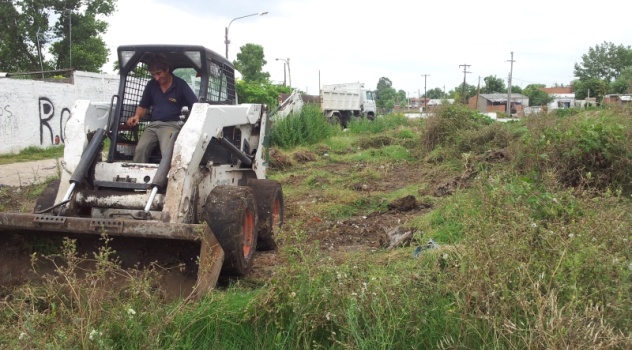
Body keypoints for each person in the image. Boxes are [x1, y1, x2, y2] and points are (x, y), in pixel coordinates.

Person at [125, 56, 198, 163]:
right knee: (140, 149)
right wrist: (137, 116)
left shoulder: (181, 85)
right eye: (153, 74)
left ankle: (167, 178)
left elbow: (196, 105)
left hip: (172, 125)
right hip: (153, 125)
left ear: (167, 69)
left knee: (167, 152)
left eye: (159, 73)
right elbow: (143, 106)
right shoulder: (151, 85)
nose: (156, 78)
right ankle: (138, 176)